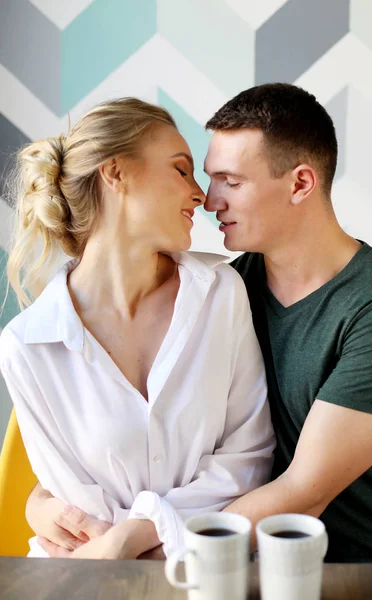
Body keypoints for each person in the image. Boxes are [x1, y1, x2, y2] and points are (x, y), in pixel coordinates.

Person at [24, 84, 372, 587]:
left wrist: (129, 543)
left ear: (299, 184)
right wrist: (44, 503)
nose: (208, 200)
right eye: (207, 178)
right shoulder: (223, 291)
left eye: (230, 180)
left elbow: (301, 491)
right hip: (259, 575)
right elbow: (131, 443)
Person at [0, 97, 275, 559]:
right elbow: (78, 511)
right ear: (116, 173)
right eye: (181, 169)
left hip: (201, 575)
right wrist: (132, 540)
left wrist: (134, 536)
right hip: (80, 579)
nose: (200, 196)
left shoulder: (220, 294)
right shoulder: (28, 346)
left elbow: (249, 459)